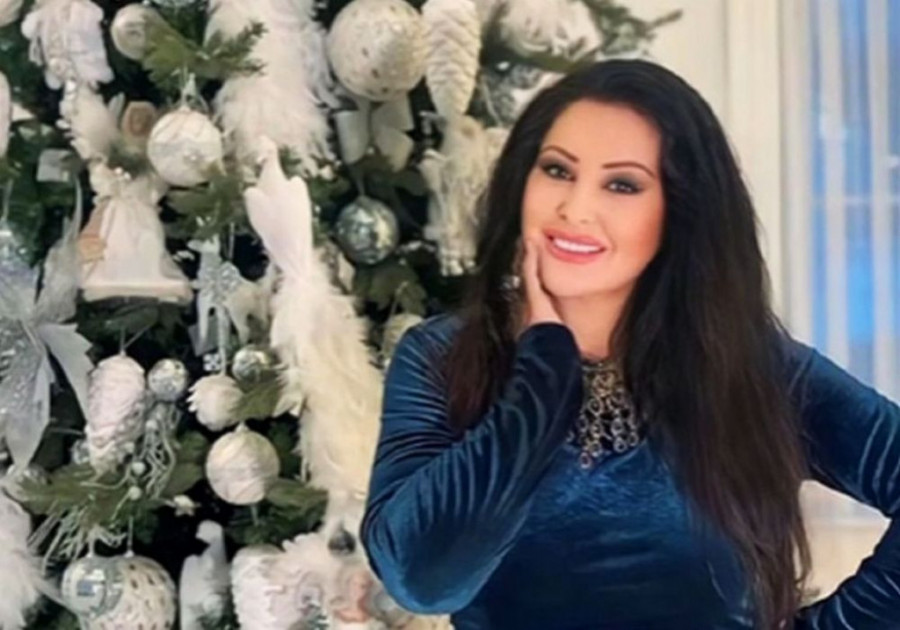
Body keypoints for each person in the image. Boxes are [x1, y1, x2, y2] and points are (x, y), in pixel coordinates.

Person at [359, 59, 900, 629]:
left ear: (679, 211)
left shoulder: (748, 366)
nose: (575, 209)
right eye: (557, 170)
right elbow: (421, 579)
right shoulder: (441, 357)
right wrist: (543, 370)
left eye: (622, 184)